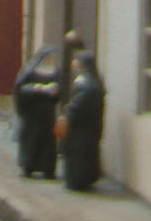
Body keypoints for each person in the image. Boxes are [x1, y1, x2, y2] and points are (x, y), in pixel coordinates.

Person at [13, 46, 63, 179]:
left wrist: (55, 92)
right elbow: (20, 89)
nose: (49, 60)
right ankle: (28, 166)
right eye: (47, 58)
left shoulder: (55, 72)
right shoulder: (30, 71)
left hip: (47, 115)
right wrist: (36, 88)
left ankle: (48, 169)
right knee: (31, 141)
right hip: (32, 114)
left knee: (47, 144)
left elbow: (60, 91)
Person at [60, 51, 105, 191]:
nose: (73, 64)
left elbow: (78, 105)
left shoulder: (87, 84)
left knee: (79, 156)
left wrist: (67, 114)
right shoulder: (90, 81)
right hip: (87, 128)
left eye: (75, 61)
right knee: (84, 154)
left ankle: (78, 182)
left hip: (81, 129)